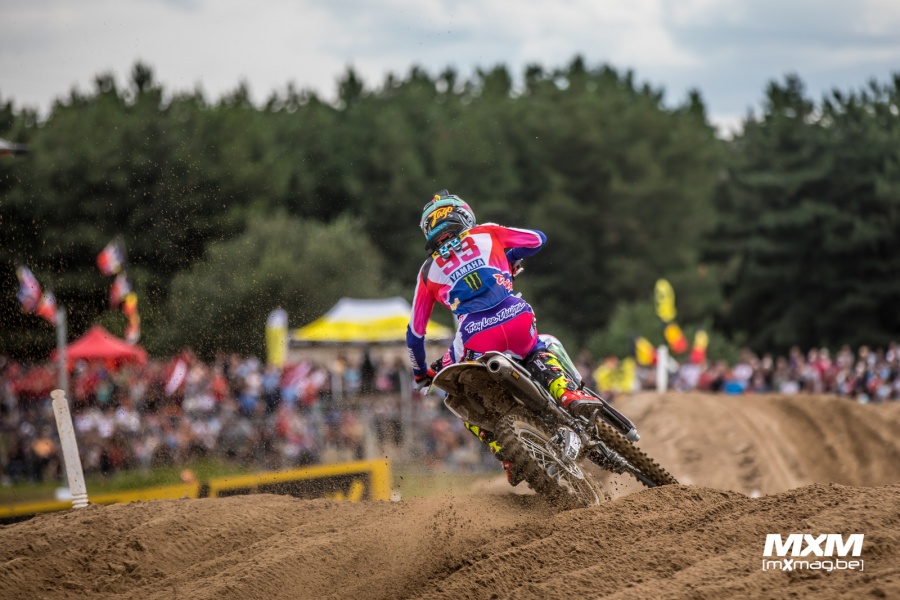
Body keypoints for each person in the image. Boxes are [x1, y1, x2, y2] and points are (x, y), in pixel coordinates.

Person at [406, 189, 602, 419]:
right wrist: (508, 259)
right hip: (515, 316)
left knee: (458, 392)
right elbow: (537, 240)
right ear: (463, 214)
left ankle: (495, 438)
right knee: (536, 350)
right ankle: (566, 393)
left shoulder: (426, 271)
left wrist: (420, 373)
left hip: (474, 336)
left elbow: (414, 335)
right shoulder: (485, 232)